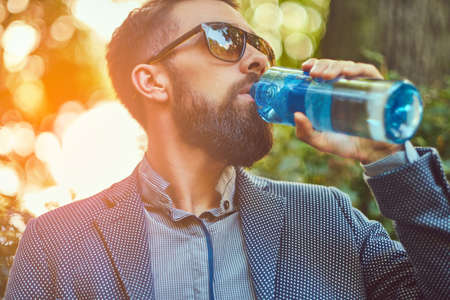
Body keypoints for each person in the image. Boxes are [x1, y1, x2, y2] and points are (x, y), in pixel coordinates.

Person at [6, 0, 449, 299]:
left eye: (260, 46)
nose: (258, 61)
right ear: (153, 81)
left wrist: (389, 157)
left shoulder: (328, 219)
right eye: (224, 40)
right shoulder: (57, 245)